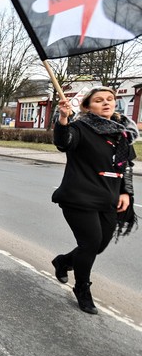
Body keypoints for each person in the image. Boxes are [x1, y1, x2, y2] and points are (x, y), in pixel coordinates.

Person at [51, 87, 137, 314]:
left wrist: (126, 192)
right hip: (78, 196)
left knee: (99, 245)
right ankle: (82, 289)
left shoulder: (122, 133)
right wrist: (63, 119)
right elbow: (64, 142)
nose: (106, 103)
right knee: (90, 243)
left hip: (107, 198)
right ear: (87, 107)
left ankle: (63, 262)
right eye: (99, 100)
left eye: (110, 99)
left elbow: (126, 166)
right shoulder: (80, 127)